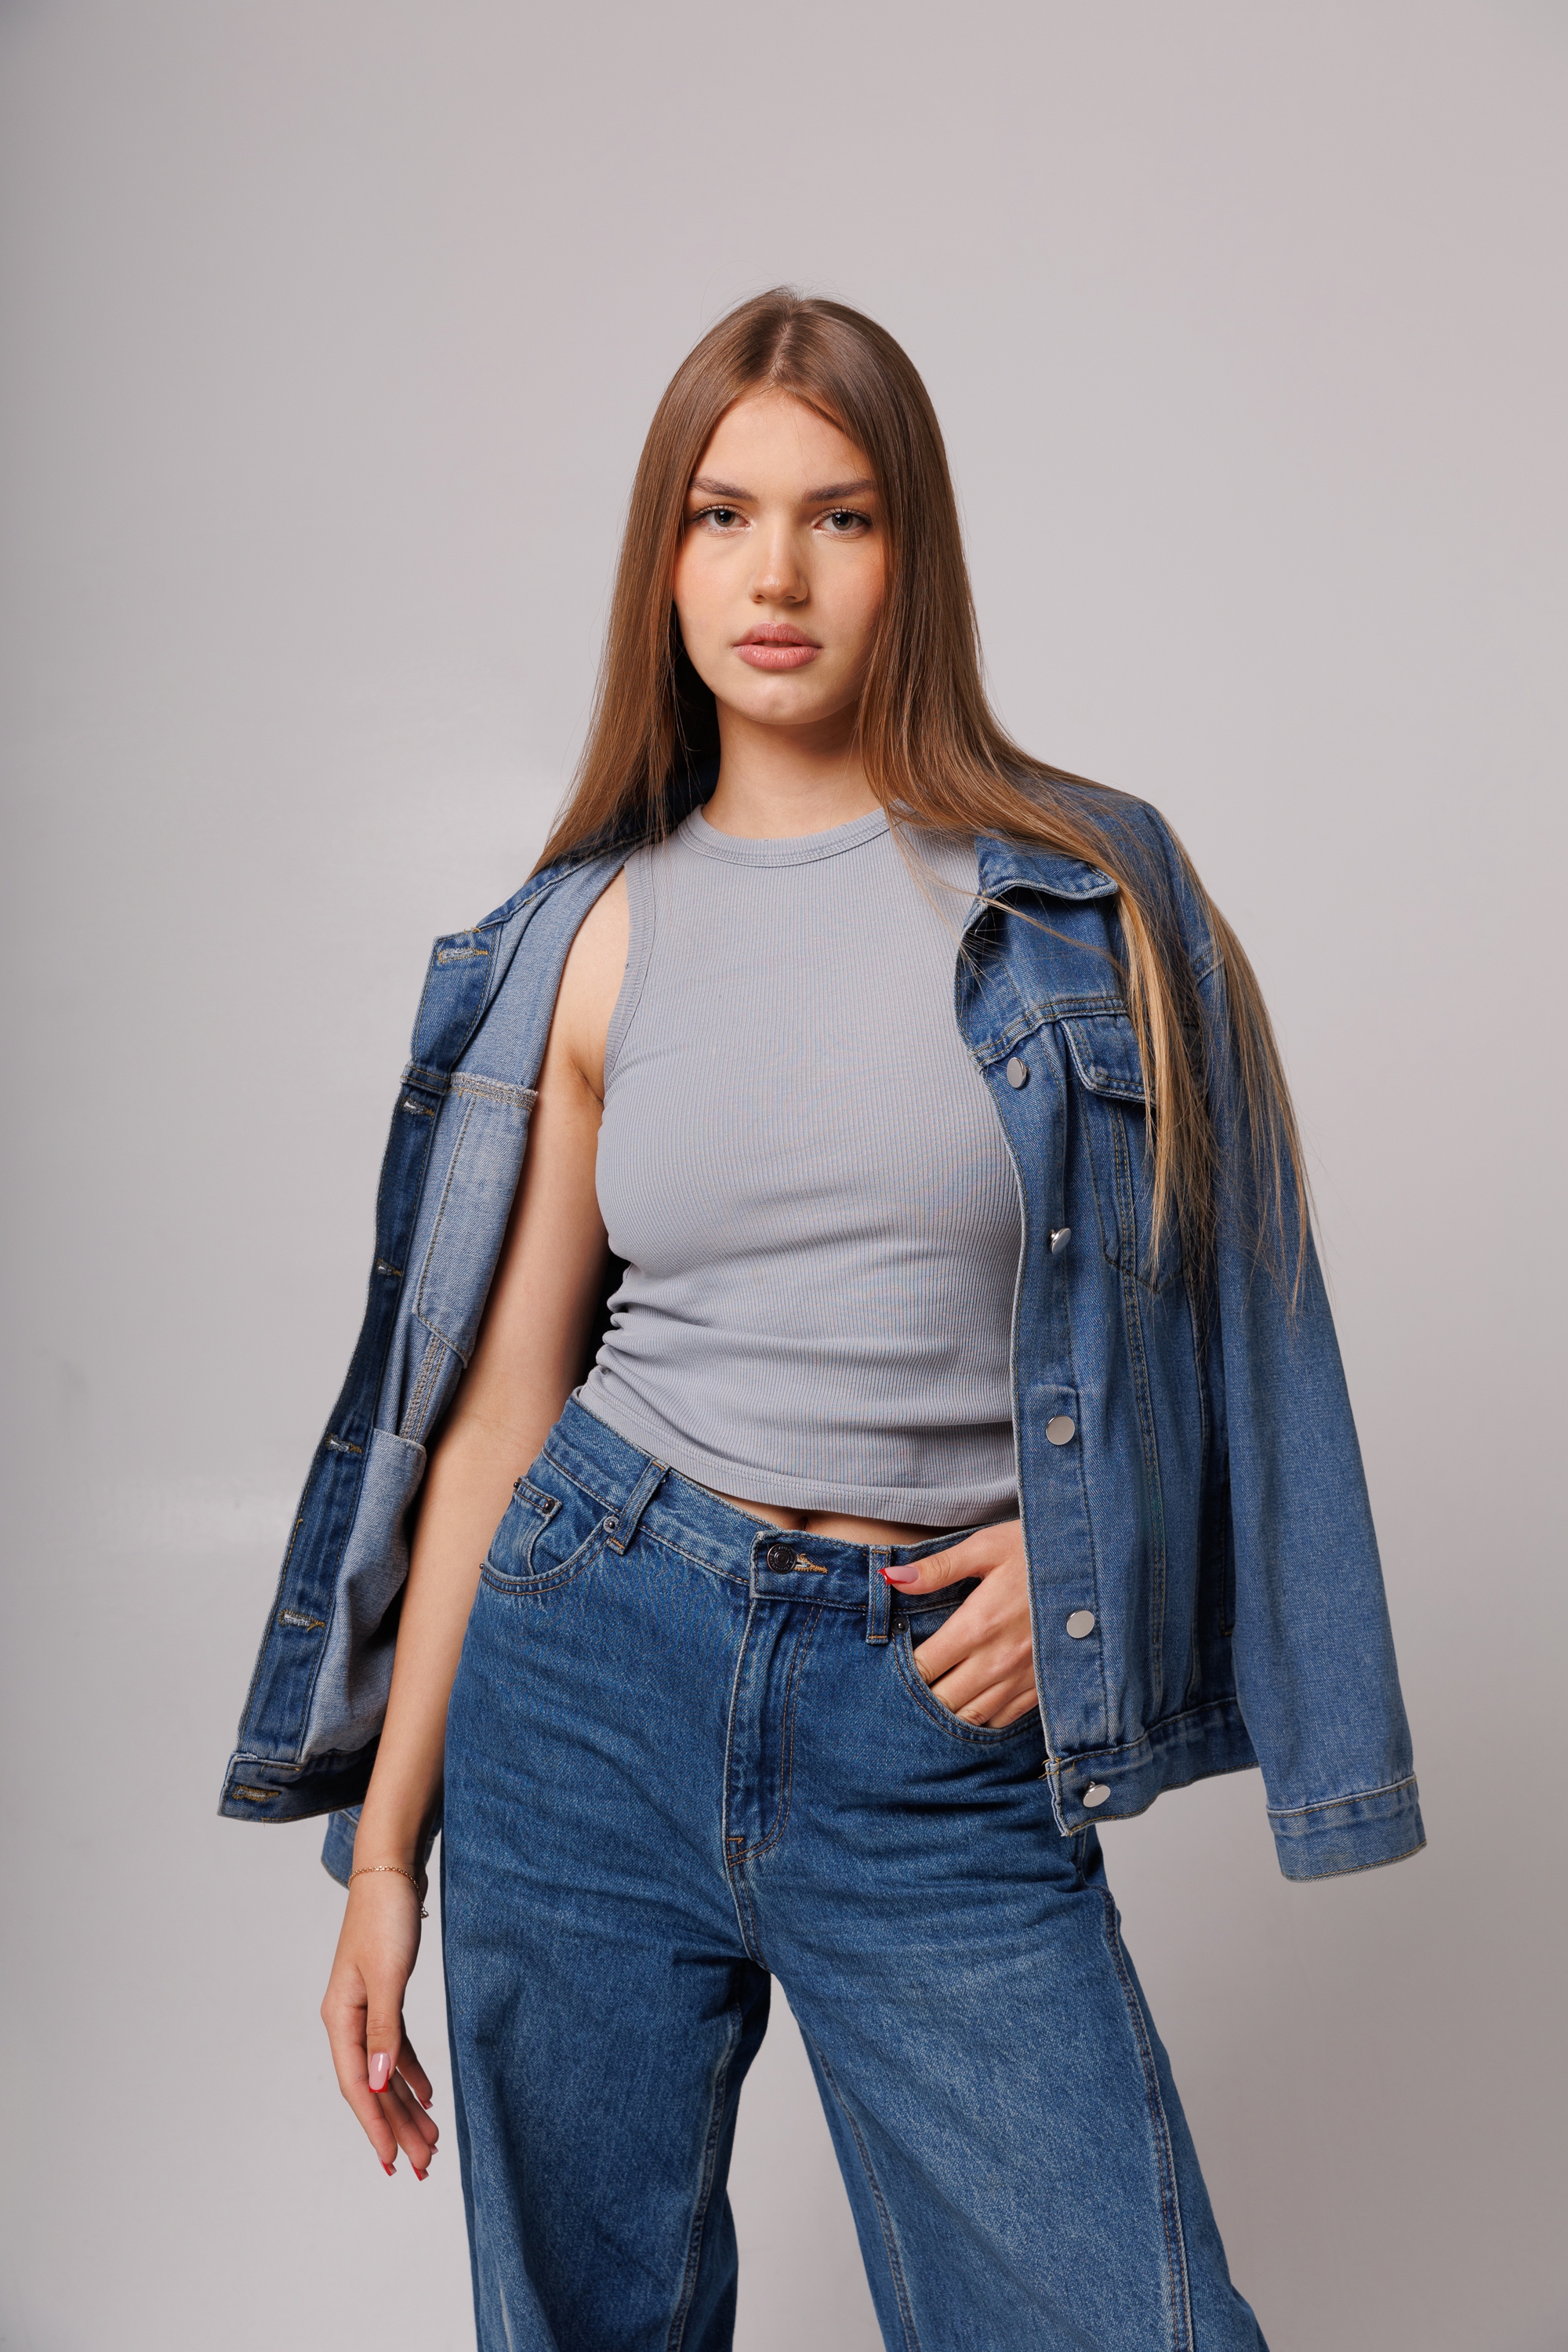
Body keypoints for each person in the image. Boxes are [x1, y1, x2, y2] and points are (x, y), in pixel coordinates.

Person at [221, 289, 1424, 2352]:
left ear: (909, 553)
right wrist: (384, 1858)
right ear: (665, 556)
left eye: (838, 517)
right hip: (587, 1670)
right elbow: (498, 1419)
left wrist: (1091, 1562)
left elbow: (1243, 1336)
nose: (774, 575)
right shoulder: (588, 935)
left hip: (926, 1720)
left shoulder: (1088, 892)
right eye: (724, 515)